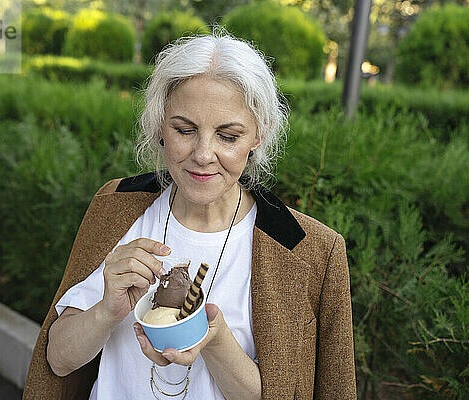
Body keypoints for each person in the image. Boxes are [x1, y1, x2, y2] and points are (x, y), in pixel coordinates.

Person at [23, 28, 356, 400]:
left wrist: (215, 343)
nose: (202, 153)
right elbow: (57, 360)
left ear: (258, 135)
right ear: (161, 125)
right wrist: (105, 311)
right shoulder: (116, 207)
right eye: (184, 129)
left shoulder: (311, 251)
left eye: (228, 136)